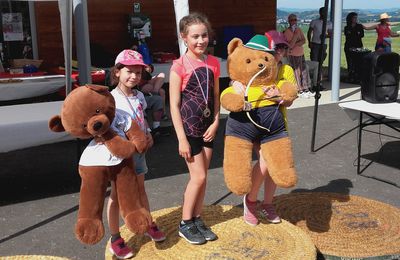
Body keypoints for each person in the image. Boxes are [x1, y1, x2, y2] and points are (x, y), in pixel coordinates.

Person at [107, 49, 166, 259]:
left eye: (138, 73)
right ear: (117, 72)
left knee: (141, 189)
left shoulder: (140, 95)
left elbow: (141, 119)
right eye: (129, 71)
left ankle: (148, 223)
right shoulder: (109, 99)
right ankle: (115, 237)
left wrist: (148, 133)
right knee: (116, 196)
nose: (134, 76)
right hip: (119, 158)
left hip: (139, 153)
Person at [169, 12, 220, 245]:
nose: (201, 41)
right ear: (184, 38)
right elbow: (174, 105)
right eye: (195, 37)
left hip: (208, 127)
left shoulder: (214, 63)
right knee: (197, 177)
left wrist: (217, 120)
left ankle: (197, 218)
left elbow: (216, 97)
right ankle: (185, 223)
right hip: (189, 130)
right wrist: (181, 139)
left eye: (204, 36)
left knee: (203, 177)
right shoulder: (179, 66)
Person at [239, 32, 298, 227]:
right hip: (254, 123)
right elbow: (240, 80)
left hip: (277, 126)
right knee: (265, 161)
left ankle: (267, 203)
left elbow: (289, 101)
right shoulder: (259, 67)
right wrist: (235, 86)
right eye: (276, 49)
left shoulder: (287, 70)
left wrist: (279, 97)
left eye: (283, 48)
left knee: (273, 167)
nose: (279, 52)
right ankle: (251, 200)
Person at [283, 14, 315, 98]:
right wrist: (296, 36)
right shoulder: (287, 32)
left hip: (300, 53)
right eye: (292, 20)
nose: (294, 22)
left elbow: (303, 41)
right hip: (293, 54)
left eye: (295, 20)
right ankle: (299, 90)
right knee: (297, 71)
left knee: (304, 70)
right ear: (289, 21)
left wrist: (296, 42)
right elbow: (290, 45)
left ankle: (306, 88)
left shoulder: (299, 29)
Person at [344, 12, 365, 82]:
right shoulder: (347, 27)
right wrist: (356, 34)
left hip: (358, 47)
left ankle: (358, 77)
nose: (356, 19)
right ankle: (350, 76)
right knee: (350, 62)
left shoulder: (359, 26)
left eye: (356, 18)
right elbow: (348, 36)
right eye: (354, 18)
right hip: (349, 47)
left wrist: (354, 34)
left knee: (358, 62)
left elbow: (361, 35)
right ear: (350, 19)